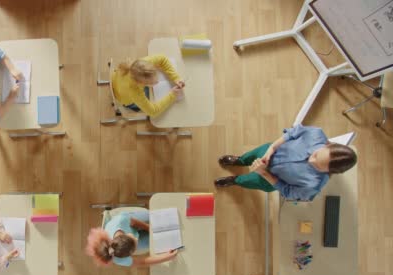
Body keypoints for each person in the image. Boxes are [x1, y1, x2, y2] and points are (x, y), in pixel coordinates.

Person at [214, 125, 357, 201]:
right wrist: (272, 148)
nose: (311, 160)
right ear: (327, 145)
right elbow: (291, 133)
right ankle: (240, 161)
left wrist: (262, 172)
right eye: (316, 154)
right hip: (269, 152)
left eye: (318, 165)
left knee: (247, 181)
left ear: (328, 172)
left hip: (268, 180)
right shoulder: (316, 134)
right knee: (250, 156)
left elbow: (288, 192)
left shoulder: (313, 186)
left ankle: (235, 180)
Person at [85, 211, 178, 267]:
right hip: (130, 231)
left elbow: (133, 222)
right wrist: (167, 257)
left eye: (135, 240)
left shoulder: (121, 221)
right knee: (155, 243)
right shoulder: (118, 259)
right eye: (134, 249)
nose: (137, 240)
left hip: (132, 221)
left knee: (156, 216)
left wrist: (149, 228)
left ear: (126, 234)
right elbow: (142, 262)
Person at [112, 55, 185, 116]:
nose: (157, 82)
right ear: (140, 83)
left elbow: (163, 59)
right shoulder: (135, 92)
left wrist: (176, 78)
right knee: (148, 101)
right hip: (122, 97)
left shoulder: (142, 65)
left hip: (115, 78)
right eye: (152, 83)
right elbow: (153, 112)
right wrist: (172, 95)